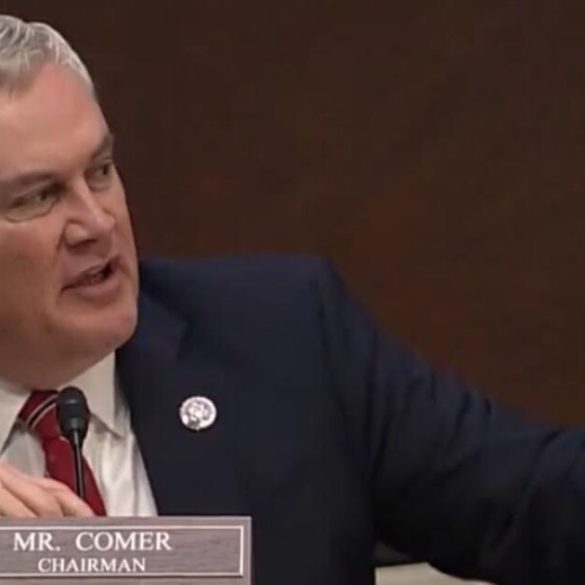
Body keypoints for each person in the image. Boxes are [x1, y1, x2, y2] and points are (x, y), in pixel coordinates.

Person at [0, 14, 583, 584]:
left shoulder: (284, 342)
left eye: (101, 171)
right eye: (38, 197)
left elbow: (538, 500)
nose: (97, 223)